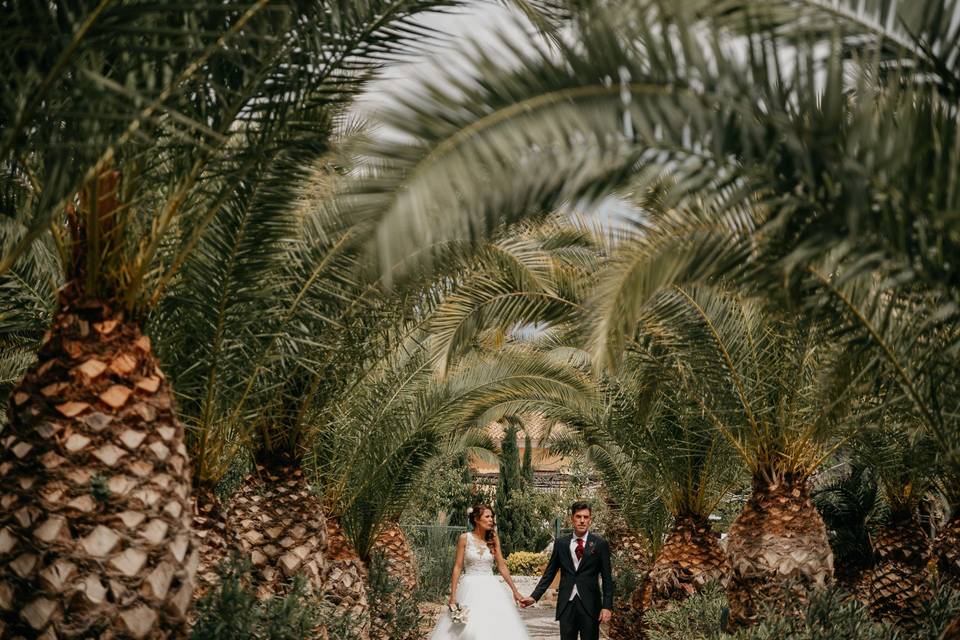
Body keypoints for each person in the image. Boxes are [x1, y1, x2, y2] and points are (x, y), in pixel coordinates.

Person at [429, 503, 532, 639]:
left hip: (491, 587)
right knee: (467, 628)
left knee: (493, 626)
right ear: (476, 519)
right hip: (469, 587)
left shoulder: (494, 539)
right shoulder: (464, 538)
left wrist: (515, 591)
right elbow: (457, 567)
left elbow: (501, 566)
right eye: (487, 516)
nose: (491, 520)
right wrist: (453, 595)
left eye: (492, 517)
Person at [520, 501, 614, 640]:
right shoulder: (561, 544)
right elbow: (549, 573)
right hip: (567, 604)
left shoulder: (600, 544)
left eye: (586, 517)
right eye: (578, 516)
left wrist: (607, 606)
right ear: (572, 518)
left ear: (590, 519)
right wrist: (534, 597)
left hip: (590, 605)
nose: (582, 520)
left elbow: (607, 578)